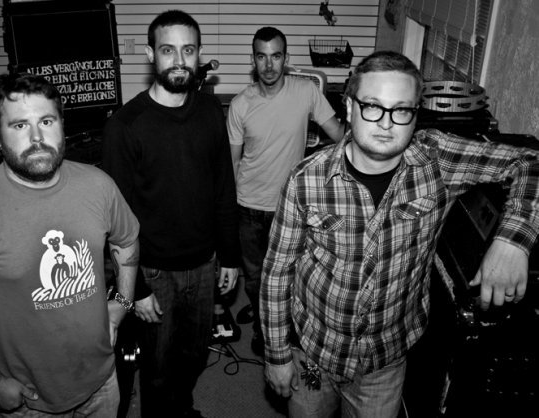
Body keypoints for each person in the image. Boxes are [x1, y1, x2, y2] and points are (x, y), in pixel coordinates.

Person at [261, 50, 539, 417]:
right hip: (313, 353)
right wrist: (277, 354)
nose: (386, 122)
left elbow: (529, 160)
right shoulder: (306, 179)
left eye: (401, 110)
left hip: (384, 363)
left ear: (415, 115)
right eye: (372, 106)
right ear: (350, 107)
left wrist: (511, 241)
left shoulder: (437, 160)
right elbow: (277, 272)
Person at [0, 72, 140, 416]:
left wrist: (122, 302)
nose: (36, 137)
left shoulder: (99, 186)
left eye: (46, 121)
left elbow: (127, 241)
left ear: (62, 125)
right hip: (27, 399)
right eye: (19, 125)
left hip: (102, 380)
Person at [101, 10, 240, 418]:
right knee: (157, 370)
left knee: (194, 357)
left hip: (204, 265)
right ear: (151, 55)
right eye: (168, 50)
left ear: (199, 54)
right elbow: (116, 220)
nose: (179, 60)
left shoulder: (211, 112)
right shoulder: (125, 126)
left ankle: (182, 410)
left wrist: (230, 254)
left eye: (188, 50)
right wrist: (137, 287)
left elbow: (223, 187)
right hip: (154, 272)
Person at [227, 26, 343, 356]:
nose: (269, 65)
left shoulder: (306, 91)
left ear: (286, 58)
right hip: (248, 206)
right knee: (254, 278)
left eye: (275, 56)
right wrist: (226, 211)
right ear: (253, 60)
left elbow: (340, 136)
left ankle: (282, 323)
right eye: (261, 57)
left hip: (290, 207)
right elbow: (231, 163)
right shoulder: (240, 104)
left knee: (289, 275)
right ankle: (264, 326)